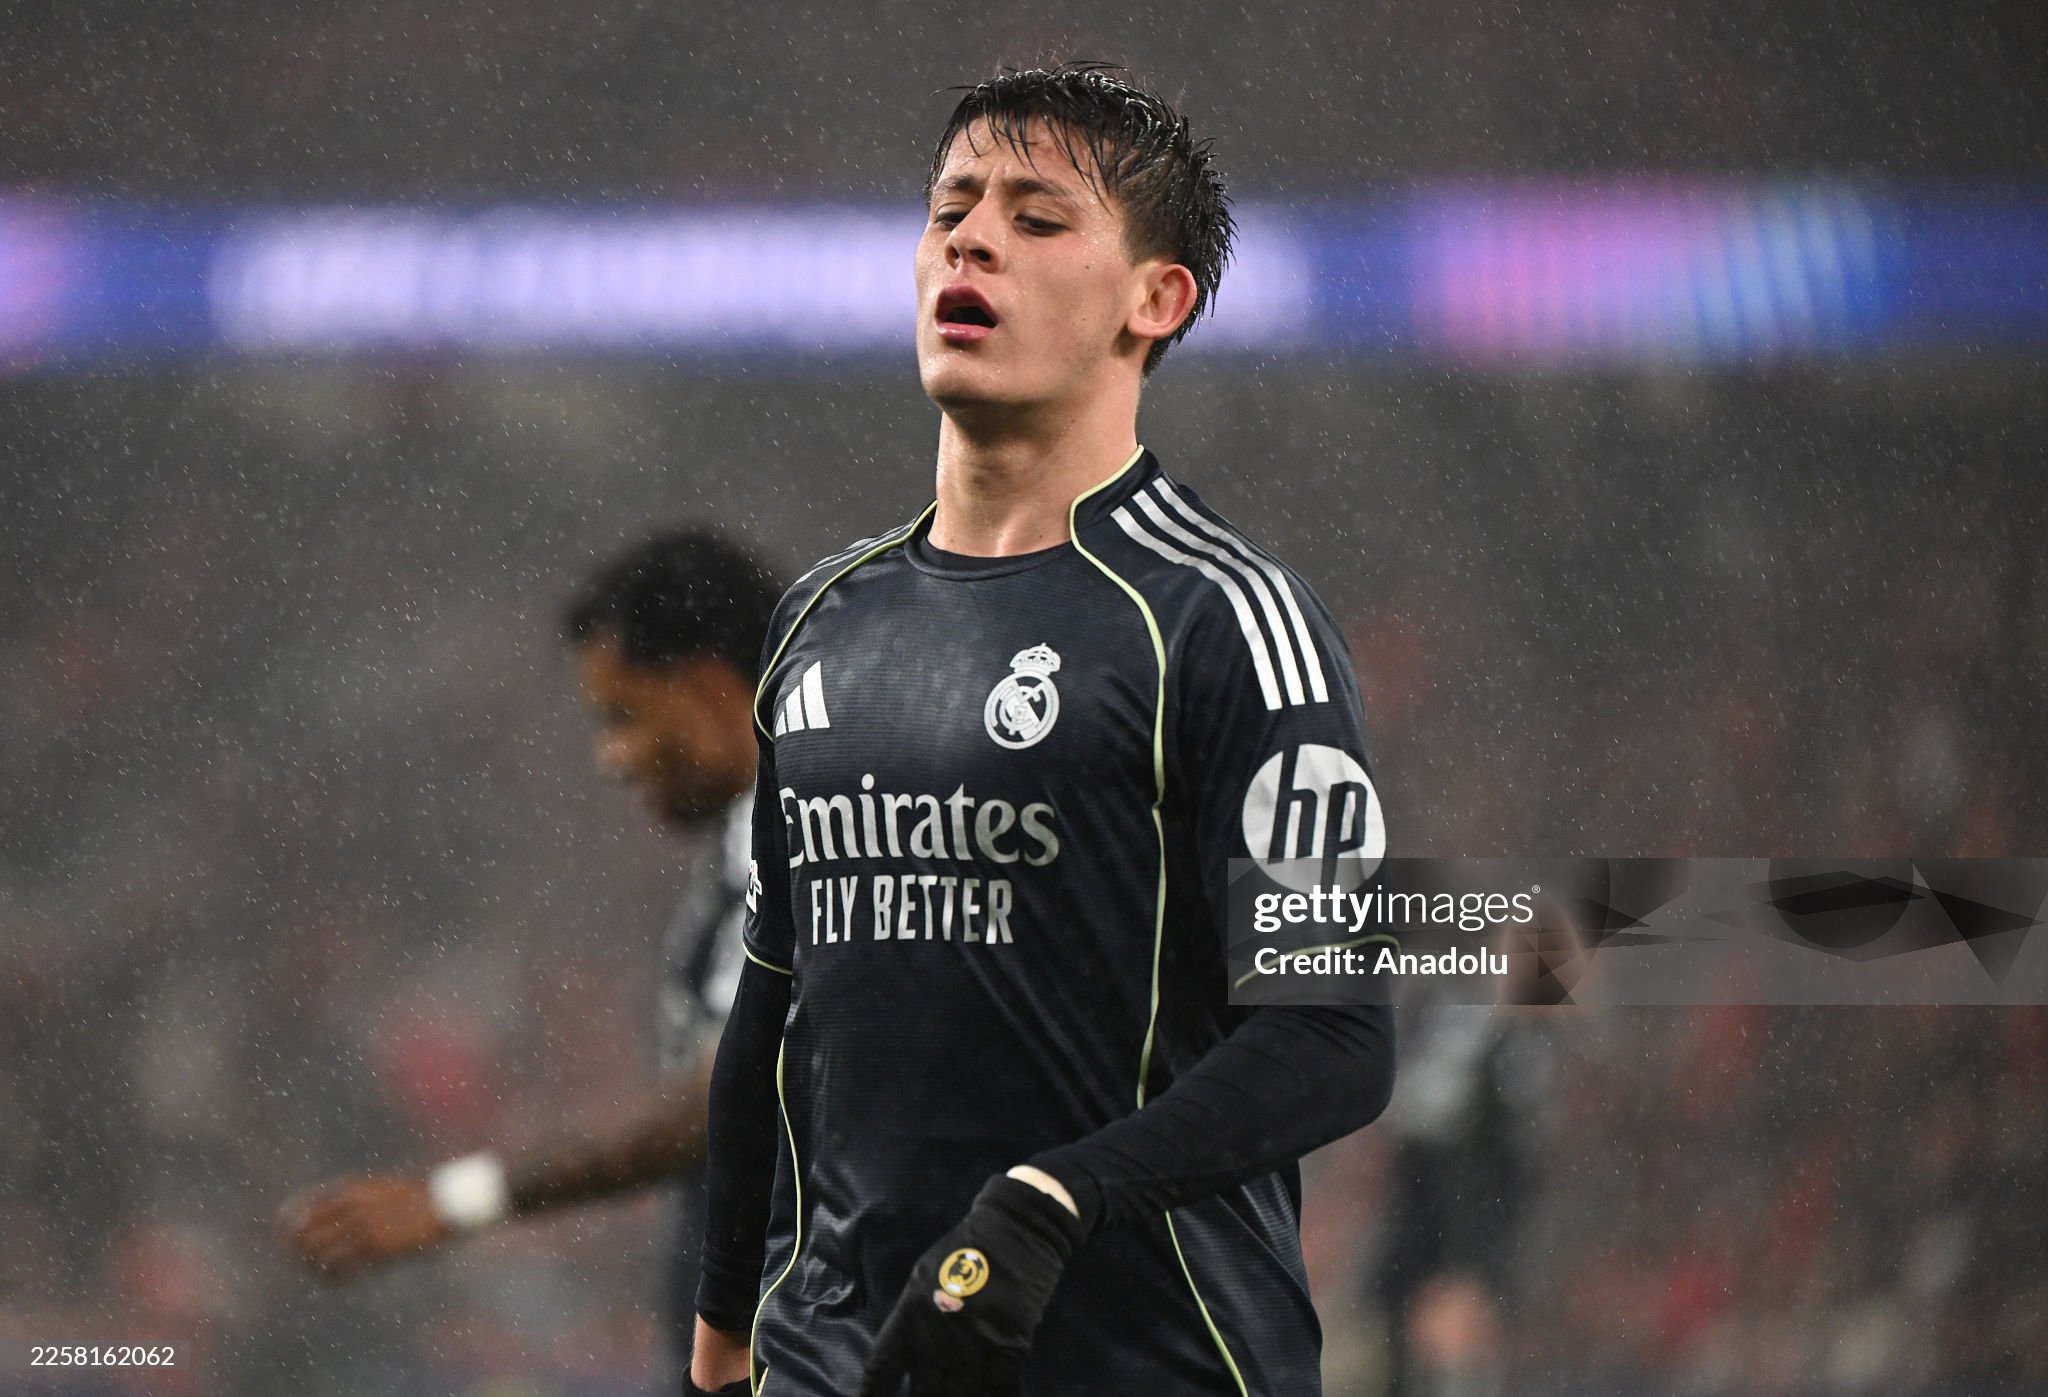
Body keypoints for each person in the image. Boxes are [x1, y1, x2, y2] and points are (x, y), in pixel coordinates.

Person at [689, 63, 1397, 1397]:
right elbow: (774, 1008)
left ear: (1155, 299)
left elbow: (1331, 1033)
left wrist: (1055, 1199)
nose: (971, 238)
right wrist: (724, 1327)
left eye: (1036, 216)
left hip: (1148, 1360)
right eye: (951, 206)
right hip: (840, 1362)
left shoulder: (1226, 621)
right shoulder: (820, 620)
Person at [276, 529, 780, 1379]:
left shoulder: (800, 827)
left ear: (709, 687)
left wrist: (457, 1197)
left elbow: (739, 1085)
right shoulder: (766, 829)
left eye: (624, 716)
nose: (611, 758)